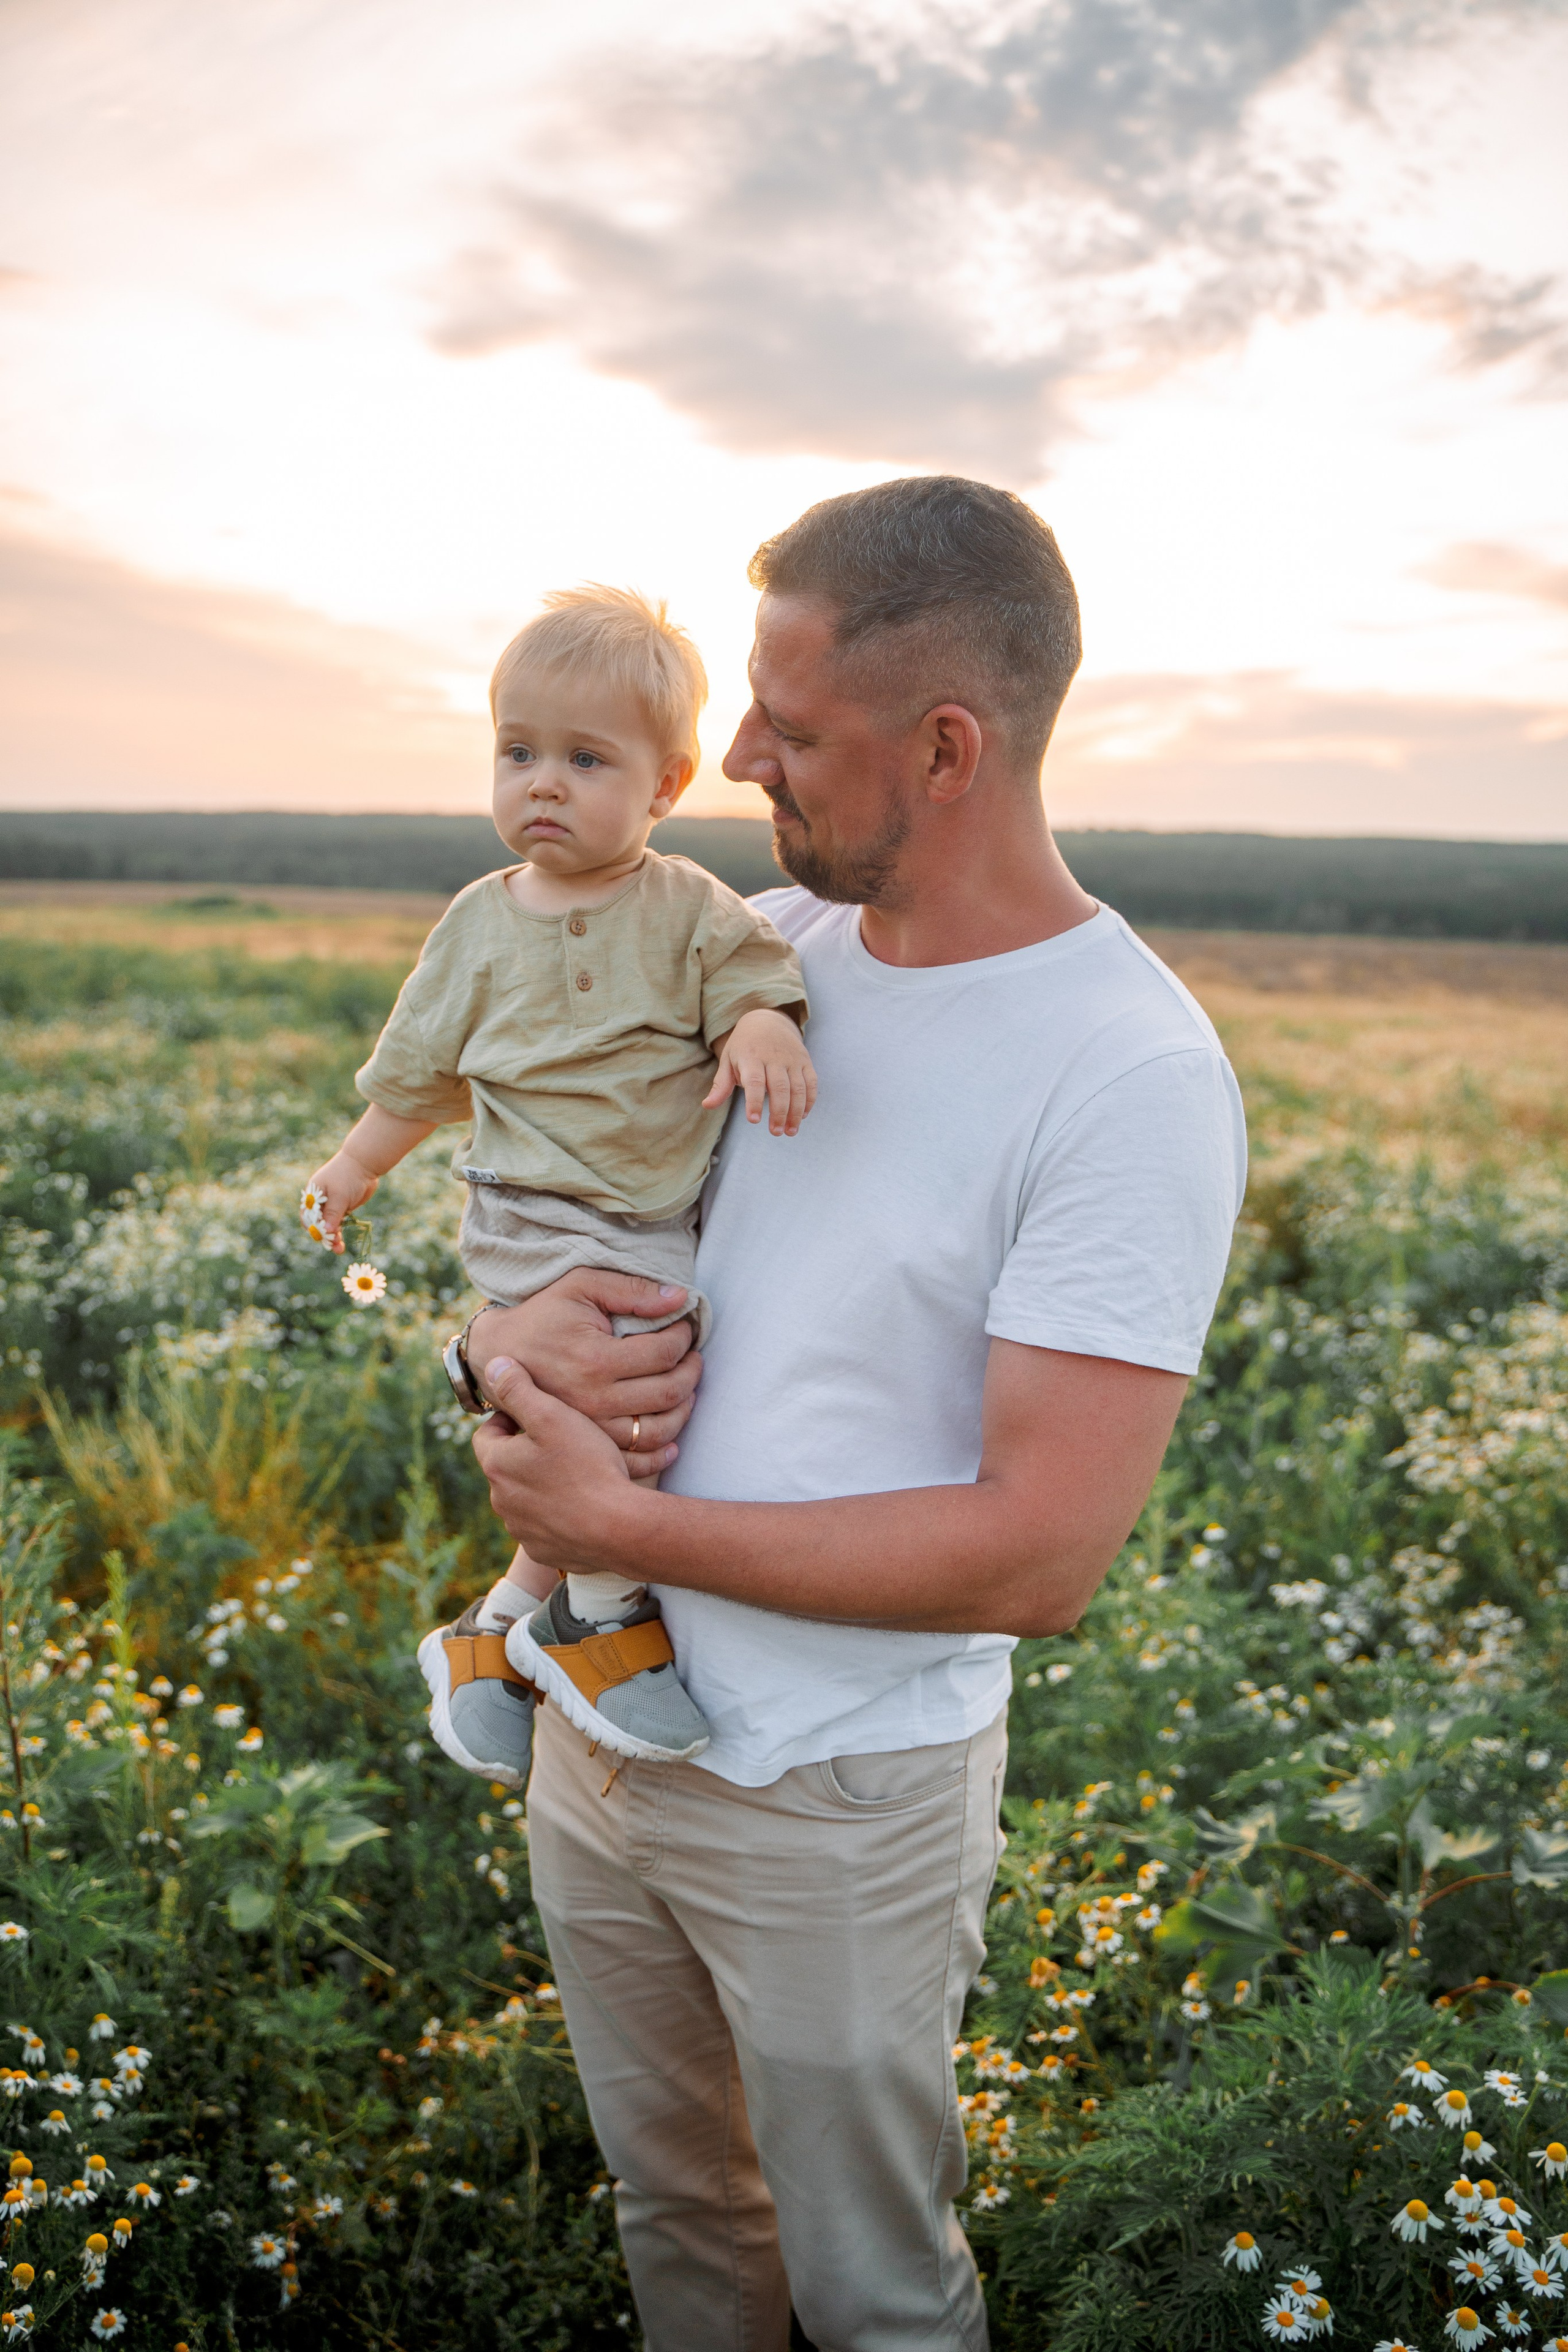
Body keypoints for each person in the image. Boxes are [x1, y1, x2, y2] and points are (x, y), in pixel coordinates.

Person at [462, 476, 1248, 2352]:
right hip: (594, 1732)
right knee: (680, 2232)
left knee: (873, 2292)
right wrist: (500, 1349)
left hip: (832, 1798)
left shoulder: (1126, 1072)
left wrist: (627, 1532)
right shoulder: (758, 948)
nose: (730, 756)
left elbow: (1040, 1552)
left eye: (791, 727)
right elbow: (546, 1230)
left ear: (950, 746)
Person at [301, 586, 814, 1773]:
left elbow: (749, 978)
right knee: (636, 1405)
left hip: (644, 1213)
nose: (542, 782)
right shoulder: (476, 924)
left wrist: (757, 1030)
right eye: (517, 751)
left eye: (586, 759)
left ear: (666, 785)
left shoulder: (686, 904)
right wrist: (348, 1169)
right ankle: (599, 1615)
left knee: (643, 1397)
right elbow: (418, 1076)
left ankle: (493, 1636)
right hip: (532, 1214)